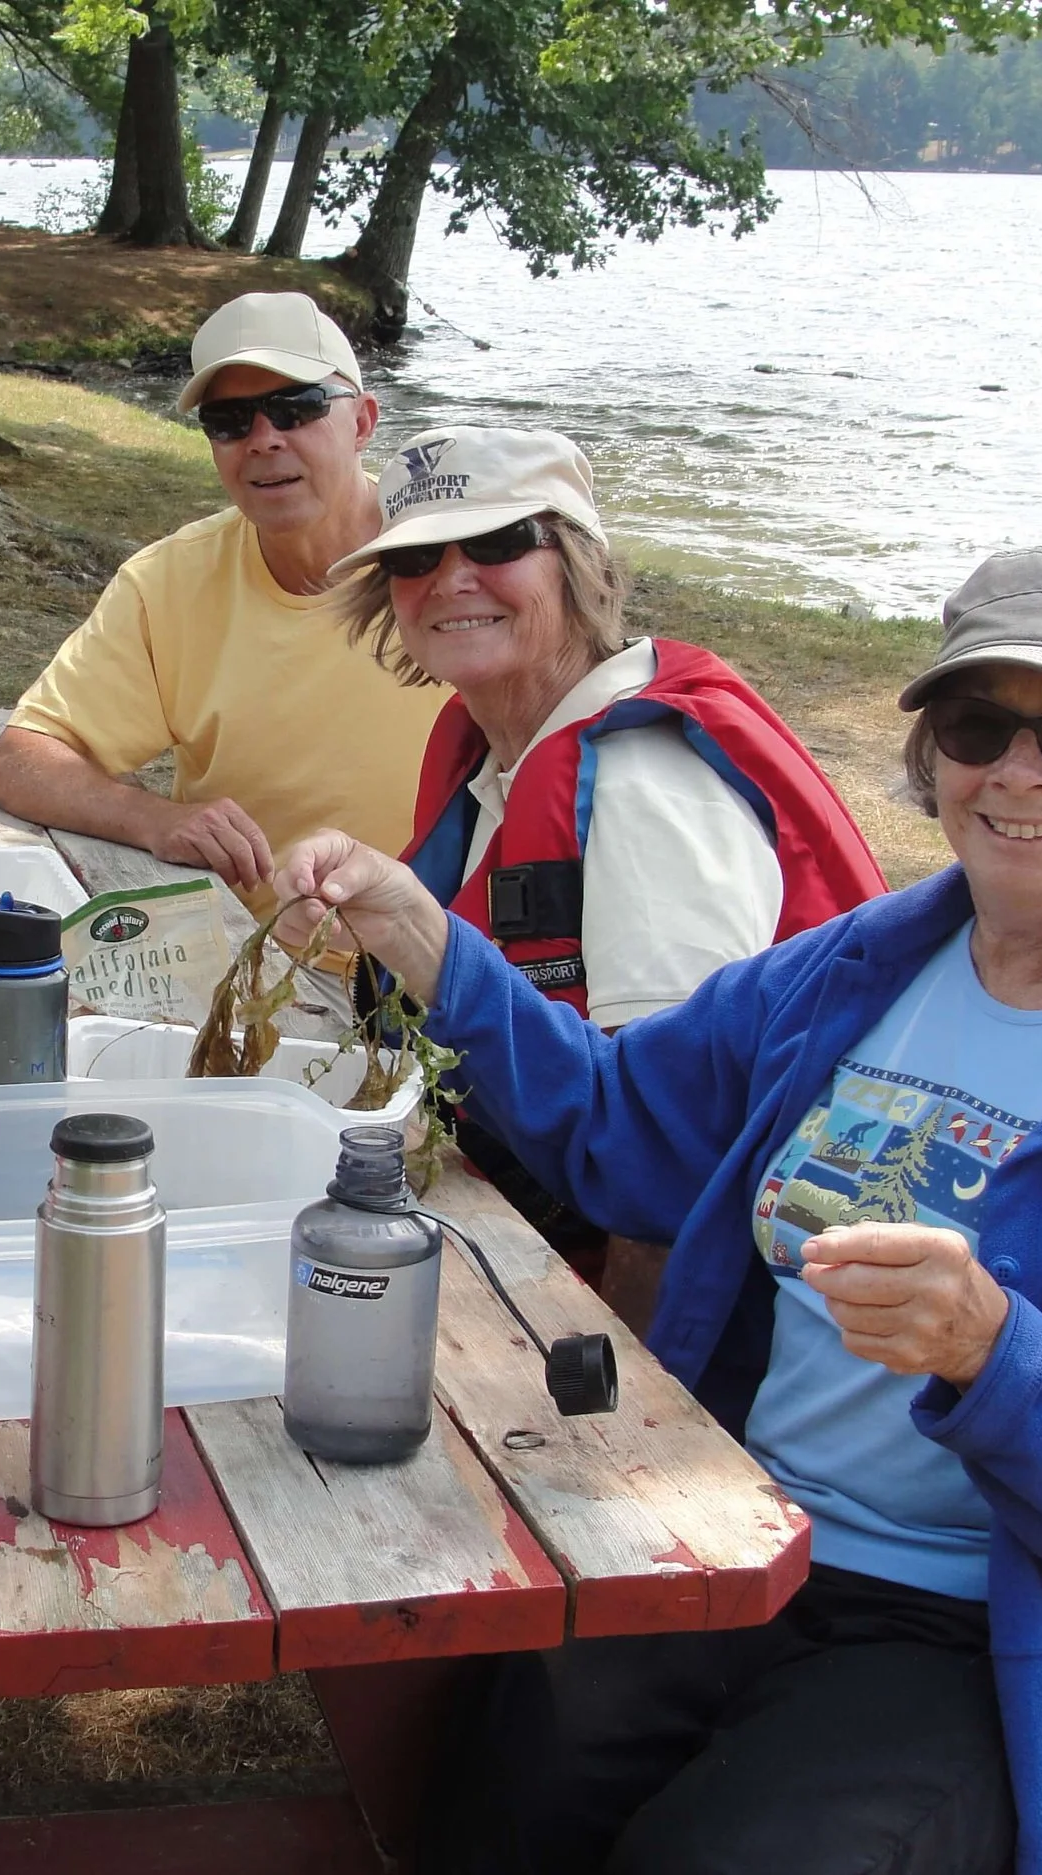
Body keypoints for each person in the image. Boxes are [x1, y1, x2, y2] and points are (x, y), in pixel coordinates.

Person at [272, 547, 1042, 1875]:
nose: (1021, 770)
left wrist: (996, 1352)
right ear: (929, 756)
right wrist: (426, 934)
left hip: (982, 1626)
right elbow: (618, 1126)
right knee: (491, 1804)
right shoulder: (857, 973)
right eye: (977, 724)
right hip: (748, 1537)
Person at [331, 425, 882, 1308]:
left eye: (501, 542)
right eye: (418, 555)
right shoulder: (495, 750)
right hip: (521, 1218)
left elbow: (677, 1142)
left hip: (703, 1302)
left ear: (578, 566)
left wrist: (620, 1392)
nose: (452, 578)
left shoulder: (641, 779)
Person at [0, 293, 449, 916]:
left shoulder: (462, 564)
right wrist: (154, 819)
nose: (263, 440)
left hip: (447, 965)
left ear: (363, 422)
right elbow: (20, 762)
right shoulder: (169, 581)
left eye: (295, 408)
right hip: (260, 963)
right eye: (229, 420)